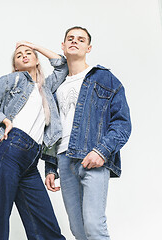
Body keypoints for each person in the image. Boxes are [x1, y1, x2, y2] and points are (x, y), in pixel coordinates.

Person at [44, 26, 132, 240]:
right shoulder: (56, 86)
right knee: (78, 230)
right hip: (64, 160)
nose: (75, 41)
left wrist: (101, 151)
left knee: (94, 226)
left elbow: (122, 123)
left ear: (88, 47)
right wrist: (50, 166)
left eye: (81, 39)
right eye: (70, 38)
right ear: (63, 46)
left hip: (92, 156)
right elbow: (52, 127)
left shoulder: (104, 78)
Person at [0, 41, 68, 240]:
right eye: (19, 55)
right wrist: (2, 119)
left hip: (31, 159)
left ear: (37, 61)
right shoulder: (14, 79)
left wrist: (34, 45)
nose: (24, 56)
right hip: (10, 149)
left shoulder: (47, 88)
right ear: (16, 66)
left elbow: (62, 65)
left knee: (44, 223)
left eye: (29, 53)